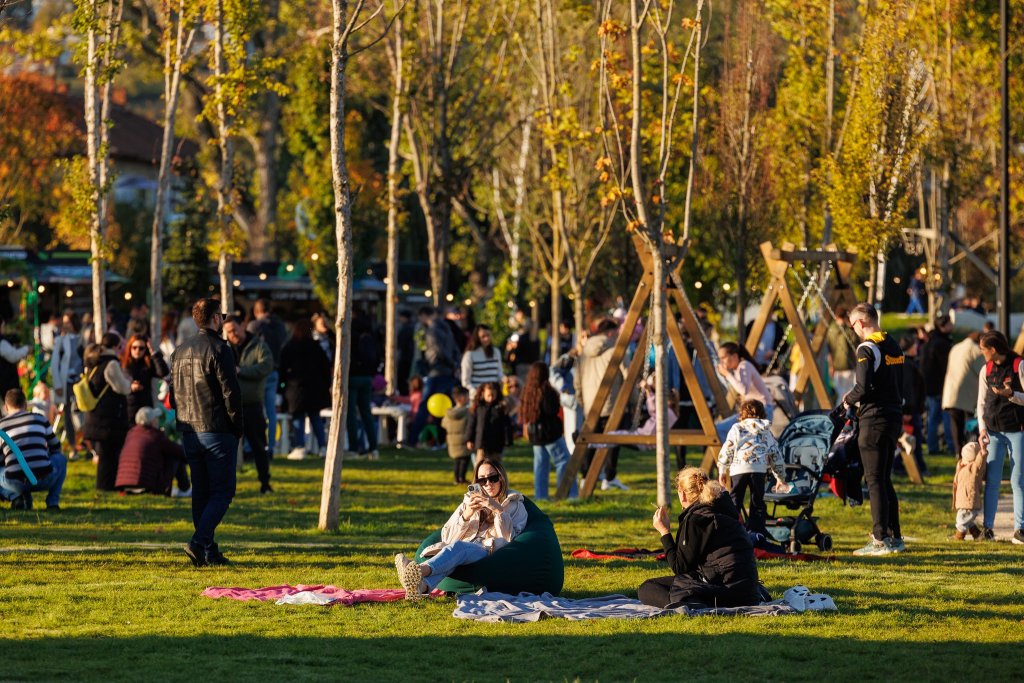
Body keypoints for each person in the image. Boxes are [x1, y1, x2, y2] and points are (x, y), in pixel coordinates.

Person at [170, 298, 243, 567]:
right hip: (216, 428)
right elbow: (230, 393)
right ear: (215, 319)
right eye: (221, 317)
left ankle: (208, 549)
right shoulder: (220, 349)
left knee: (201, 491)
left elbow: (173, 394)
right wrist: (237, 426)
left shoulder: (179, 351)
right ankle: (200, 542)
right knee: (223, 491)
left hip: (190, 429)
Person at [394, 459, 528, 598]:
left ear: (501, 478)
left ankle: (418, 570)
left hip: (488, 550)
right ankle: (421, 587)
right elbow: (447, 537)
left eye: (493, 478)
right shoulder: (469, 501)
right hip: (464, 548)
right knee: (454, 556)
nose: (488, 484)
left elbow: (508, 539)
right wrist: (466, 514)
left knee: (459, 548)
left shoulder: (516, 506)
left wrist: (497, 509)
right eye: (482, 480)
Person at [639, 467, 767, 609]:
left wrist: (664, 532)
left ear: (682, 494)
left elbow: (680, 567)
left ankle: (694, 603)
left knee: (647, 588)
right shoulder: (722, 508)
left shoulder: (697, 518)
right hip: (748, 591)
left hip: (725, 589)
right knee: (672, 585)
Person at [844, 303, 906, 555]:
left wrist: (846, 400)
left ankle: (880, 538)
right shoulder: (893, 345)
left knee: (874, 480)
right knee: (884, 478)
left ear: (860, 322)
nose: (853, 330)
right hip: (893, 416)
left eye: (852, 325)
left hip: (874, 419)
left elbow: (863, 387)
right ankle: (895, 537)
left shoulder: (866, 348)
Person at [976, 330, 1024, 544]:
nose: (981, 353)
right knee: (992, 481)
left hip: (1017, 429)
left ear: (993, 350)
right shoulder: (985, 369)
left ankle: (1020, 529)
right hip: (993, 430)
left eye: (983, 349)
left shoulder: (1018, 365)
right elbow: (980, 402)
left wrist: (1011, 395)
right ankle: (988, 528)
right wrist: (981, 428)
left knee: (1018, 481)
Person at [717, 399, 786, 534]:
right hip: (758, 470)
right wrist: (780, 478)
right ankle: (757, 531)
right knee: (757, 501)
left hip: (738, 469)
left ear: (741, 414)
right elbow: (775, 455)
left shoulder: (737, 428)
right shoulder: (766, 431)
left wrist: (722, 470)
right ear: (763, 414)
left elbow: (727, 449)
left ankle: (732, 529)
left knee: (735, 499)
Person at [576, 318, 628, 490]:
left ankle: (585, 476)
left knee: (590, 441)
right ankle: (610, 477)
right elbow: (629, 377)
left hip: (590, 405)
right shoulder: (617, 350)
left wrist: (582, 400)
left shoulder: (583, 352)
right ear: (611, 332)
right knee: (613, 440)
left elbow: (576, 379)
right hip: (612, 404)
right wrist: (634, 402)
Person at [223, 317, 274, 492]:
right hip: (230, 406)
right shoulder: (225, 348)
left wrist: (242, 371)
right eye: (229, 331)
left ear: (243, 326)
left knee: (259, 446)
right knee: (227, 447)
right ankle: (226, 485)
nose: (233, 334)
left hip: (252, 405)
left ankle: (265, 482)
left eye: (235, 329)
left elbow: (266, 366)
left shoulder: (258, 345)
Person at [0, 389, 67, 510]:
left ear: (5, 407)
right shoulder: (40, 419)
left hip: (15, 482)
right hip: (44, 478)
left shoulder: (1, 426)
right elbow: (56, 447)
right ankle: (52, 503)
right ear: (25, 404)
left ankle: (15, 496)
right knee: (61, 459)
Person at [520, 361, 578, 501]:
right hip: (550, 434)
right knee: (564, 462)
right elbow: (552, 410)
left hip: (536, 435)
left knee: (540, 466)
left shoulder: (527, 391)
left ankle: (541, 496)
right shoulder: (547, 391)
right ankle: (567, 494)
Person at [82, 334, 133, 491]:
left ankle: (105, 486)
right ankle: (105, 487)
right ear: (116, 346)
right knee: (108, 456)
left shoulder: (94, 361)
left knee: (105, 454)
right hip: (109, 418)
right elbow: (122, 387)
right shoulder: (111, 364)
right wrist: (129, 382)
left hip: (97, 415)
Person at [279, 318, 331, 459]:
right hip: (314, 388)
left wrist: (282, 387)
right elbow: (325, 368)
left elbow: (282, 368)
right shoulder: (316, 347)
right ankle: (322, 447)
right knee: (315, 418)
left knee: (298, 418)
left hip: (295, 388)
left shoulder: (289, 347)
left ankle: (299, 446)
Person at [408, 306, 459, 445]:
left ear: (425, 315)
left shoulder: (432, 330)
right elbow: (454, 348)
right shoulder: (447, 328)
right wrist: (455, 365)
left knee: (425, 406)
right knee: (444, 407)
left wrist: (449, 363)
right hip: (448, 372)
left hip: (436, 371)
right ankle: (442, 440)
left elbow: (438, 350)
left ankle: (412, 440)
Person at [115, 407, 191, 497]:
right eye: (155, 418)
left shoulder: (130, 434)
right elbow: (179, 452)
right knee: (175, 455)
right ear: (152, 422)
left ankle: (184, 489)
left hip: (124, 485)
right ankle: (185, 489)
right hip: (146, 486)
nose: (157, 420)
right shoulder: (155, 435)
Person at [247, 299, 288, 458]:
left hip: (258, 371)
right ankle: (270, 447)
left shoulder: (255, 326)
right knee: (271, 412)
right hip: (275, 370)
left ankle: (254, 446)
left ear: (257, 311)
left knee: (255, 409)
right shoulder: (280, 327)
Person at [715, 342, 774, 442]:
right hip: (755, 411)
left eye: (723, 357)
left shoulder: (744, 366)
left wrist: (727, 374)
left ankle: (732, 456)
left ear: (734, 356)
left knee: (719, 429)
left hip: (762, 411)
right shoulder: (738, 369)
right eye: (719, 358)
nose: (721, 362)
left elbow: (743, 390)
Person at [942, 331, 985, 459]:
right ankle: (970, 452)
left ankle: (957, 450)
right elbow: (982, 370)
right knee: (970, 424)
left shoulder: (955, 347)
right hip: (967, 393)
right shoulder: (975, 350)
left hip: (951, 391)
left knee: (955, 423)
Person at [347, 311, 380, 460]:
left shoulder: (350, 338)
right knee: (366, 412)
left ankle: (354, 447)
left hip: (353, 376)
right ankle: (373, 447)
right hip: (367, 377)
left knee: (351, 413)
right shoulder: (370, 338)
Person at [920, 315, 955, 454]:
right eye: (949, 323)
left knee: (932, 419)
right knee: (946, 418)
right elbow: (947, 367)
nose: (952, 325)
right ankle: (951, 446)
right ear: (942, 326)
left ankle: (932, 446)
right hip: (940, 387)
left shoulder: (929, 342)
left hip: (929, 388)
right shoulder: (942, 344)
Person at [50, 311, 84, 451]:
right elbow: (55, 363)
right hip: (68, 382)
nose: (65, 325)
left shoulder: (83, 338)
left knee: (82, 412)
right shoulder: (61, 340)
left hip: (81, 381)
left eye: (68, 322)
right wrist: (57, 384)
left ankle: (84, 442)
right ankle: (72, 446)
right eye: (64, 322)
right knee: (69, 415)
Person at [121, 334, 170, 424]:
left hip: (145, 407)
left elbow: (163, 372)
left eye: (141, 348)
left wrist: (154, 353)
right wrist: (130, 386)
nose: (137, 351)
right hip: (128, 408)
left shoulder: (147, 364)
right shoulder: (123, 364)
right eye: (134, 347)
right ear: (130, 348)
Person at [898, 333, 927, 475]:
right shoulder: (907, 365)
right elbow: (908, 389)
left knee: (908, 438)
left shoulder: (905, 363)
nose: (916, 347)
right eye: (914, 345)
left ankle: (905, 466)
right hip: (910, 409)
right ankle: (916, 467)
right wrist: (908, 410)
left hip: (910, 407)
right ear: (909, 348)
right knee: (913, 438)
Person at [465, 381, 513, 463]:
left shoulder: (501, 408)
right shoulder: (478, 408)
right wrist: (469, 439)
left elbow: (506, 426)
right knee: (480, 467)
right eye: (488, 396)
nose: (491, 398)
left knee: (496, 467)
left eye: (493, 395)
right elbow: (471, 425)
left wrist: (507, 441)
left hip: (497, 444)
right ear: (483, 393)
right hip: (481, 443)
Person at [952, 441, 985, 541]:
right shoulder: (962, 466)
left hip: (969, 500)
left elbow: (979, 462)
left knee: (961, 519)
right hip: (963, 499)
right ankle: (977, 534)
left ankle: (959, 536)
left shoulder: (973, 468)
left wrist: (982, 452)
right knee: (968, 519)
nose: (962, 460)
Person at [460, 325, 504, 400]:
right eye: (483, 336)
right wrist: (476, 391)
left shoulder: (496, 352)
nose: (486, 339)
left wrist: (503, 380)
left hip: (494, 396)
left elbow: (499, 373)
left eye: (488, 335)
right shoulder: (470, 355)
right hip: (478, 397)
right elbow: (465, 381)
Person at [825, 306, 857, 400]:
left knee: (840, 393)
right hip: (848, 365)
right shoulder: (848, 331)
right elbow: (855, 347)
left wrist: (831, 366)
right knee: (848, 392)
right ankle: (845, 413)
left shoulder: (830, 330)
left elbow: (829, 351)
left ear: (835, 316)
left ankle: (839, 412)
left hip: (836, 367)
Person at [442, 386, 472, 484]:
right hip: (463, 440)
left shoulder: (449, 413)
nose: (469, 398)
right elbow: (470, 425)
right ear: (461, 398)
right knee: (464, 460)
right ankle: (461, 478)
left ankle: (457, 478)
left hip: (452, 441)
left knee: (457, 461)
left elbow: (444, 424)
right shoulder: (467, 412)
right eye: (467, 396)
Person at [0, 317, 30, 411]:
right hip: (6, 382)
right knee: (12, 407)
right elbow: (13, 356)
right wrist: (26, 349)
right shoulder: (1, 342)